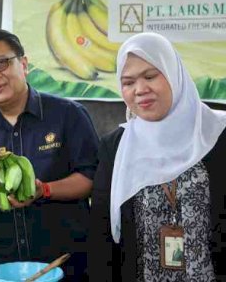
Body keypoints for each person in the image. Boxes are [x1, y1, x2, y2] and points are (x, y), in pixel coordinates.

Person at [0, 27, 98, 280]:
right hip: (3, 265)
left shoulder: (68, 115)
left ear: (24, 64)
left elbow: (91, 178)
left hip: (67, 262)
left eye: (1, 63)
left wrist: (44, 190)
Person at [88, 32, 226, 281]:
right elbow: (102, 235)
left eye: (150, 76)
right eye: (128, 82)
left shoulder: (217, 133)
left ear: (174, 74)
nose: (140, 90)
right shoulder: (116, 147)